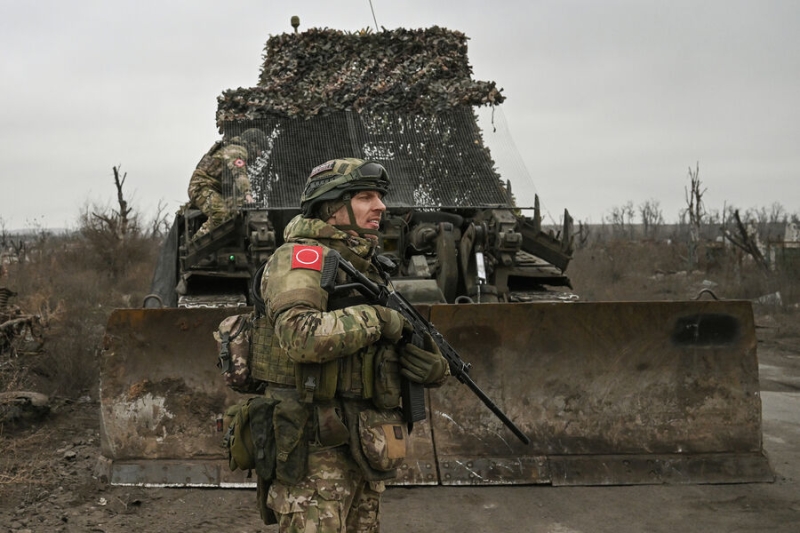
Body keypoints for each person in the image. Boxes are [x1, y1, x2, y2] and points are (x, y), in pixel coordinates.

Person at [258, 158, 449, 532]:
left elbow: (400, 342)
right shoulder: (303, 258)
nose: (380, 206)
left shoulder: (364, 264)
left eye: (379, 197)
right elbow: (301, 335)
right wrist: (378, 319)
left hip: (363, 445)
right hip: (315, 450)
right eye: (364, 197)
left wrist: (432, 365)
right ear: (331, 207)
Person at [187, 128, 267, 240]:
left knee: (240, 213)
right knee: (220, 214)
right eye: (260, 149)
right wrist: (247, 194)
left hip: (218, 190)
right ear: (253, 144)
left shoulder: (237, 150)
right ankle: (195, 245)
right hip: (202, 186)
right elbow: (239, 174)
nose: (259, 154)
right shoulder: (237, 151)